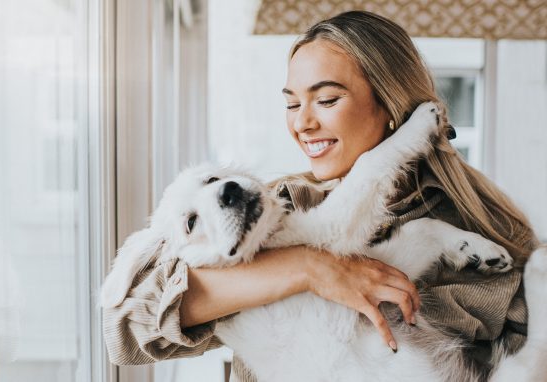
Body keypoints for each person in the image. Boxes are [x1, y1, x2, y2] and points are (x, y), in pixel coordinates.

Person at [103, 11, 538, 382]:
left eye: (326, 99)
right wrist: (308, 267)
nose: (302, 124)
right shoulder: (271, 210)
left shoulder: (479, 228)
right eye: (292, 104)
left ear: (390, 107)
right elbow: (124, 331)